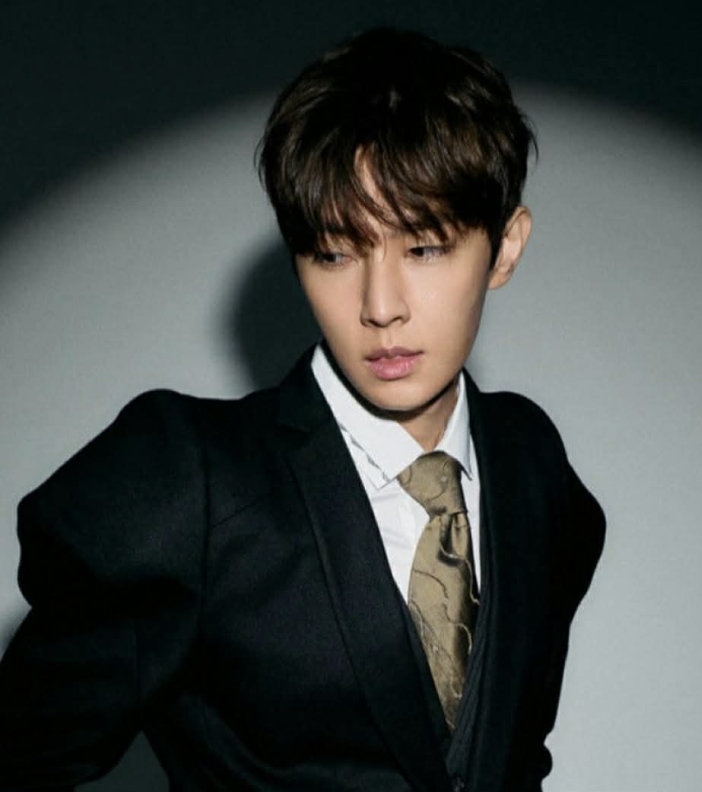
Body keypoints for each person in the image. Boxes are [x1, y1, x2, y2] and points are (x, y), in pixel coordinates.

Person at [0, 27, 604, 792]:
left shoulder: (531, 466)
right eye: (335, 253)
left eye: (424, 248)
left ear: (505, 247)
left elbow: (510, 758)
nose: (380, 306)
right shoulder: (190, 486)